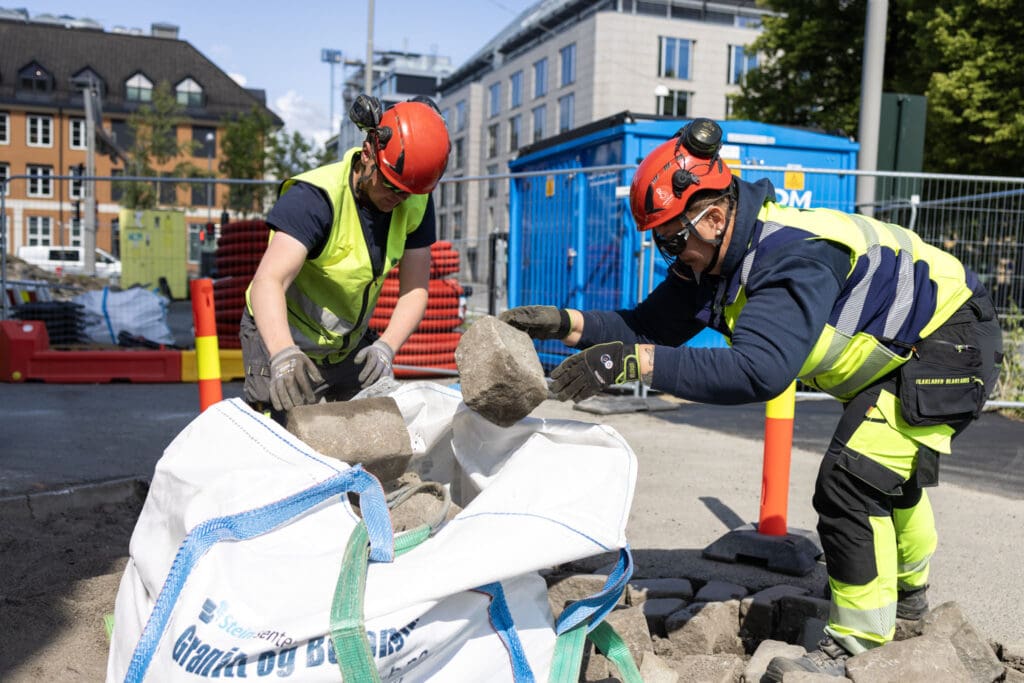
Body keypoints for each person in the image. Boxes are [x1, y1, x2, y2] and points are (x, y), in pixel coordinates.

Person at [500, 118, 1003, 679]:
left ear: (713, 217)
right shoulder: (717, 257)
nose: (668, 254)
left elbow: (758, 371)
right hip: (909, 348)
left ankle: (860, 649)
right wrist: (565, 323)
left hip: (945, 345)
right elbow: (650, 325)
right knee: (889, 480)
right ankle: (908, 605)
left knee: (851, 484)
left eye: (669, 239)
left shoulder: (792, 258)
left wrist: (628, 364)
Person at [241, 95, 450, 422]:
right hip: (282, 333)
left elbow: (415, 290)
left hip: (345, 344)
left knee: (371, 439)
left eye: (406, 193)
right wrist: (282, 354)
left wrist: (386, 347)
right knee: (280, 448)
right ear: (368, 152)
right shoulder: (315, 198)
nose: (396, 200)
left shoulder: (414, 197)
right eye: (391, 187)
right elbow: (268, 281)